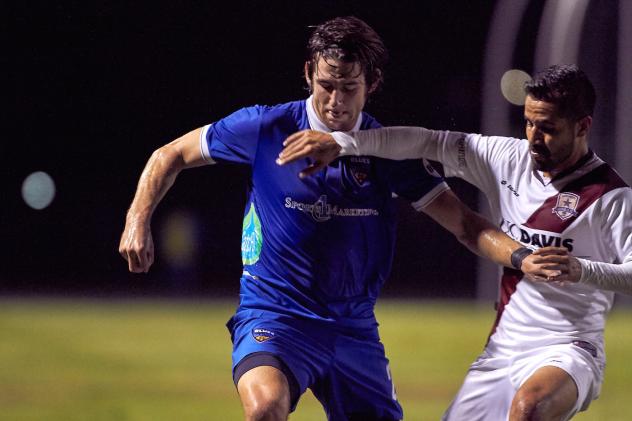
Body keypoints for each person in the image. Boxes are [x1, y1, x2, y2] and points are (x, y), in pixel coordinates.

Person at [119, 16, 558, 421]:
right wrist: (137, 220)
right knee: (264, 407)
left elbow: (465, 224)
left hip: (352, 325)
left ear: (373, 83)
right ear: (309, 71)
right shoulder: (266, 128)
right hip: (276, 315)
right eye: (326, 84)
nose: (335, 101)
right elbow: (170, 154)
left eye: (349, 87)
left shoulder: (387, 152)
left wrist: (522, 257)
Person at [277, 64, 632, 420]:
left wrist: (580, 269)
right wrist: (343, 143)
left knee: (529, 409)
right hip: (504, 348)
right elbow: (426, 141)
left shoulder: (611, 197)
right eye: (529, 123)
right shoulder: (507, 159)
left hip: (570, 348)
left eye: (548, 128)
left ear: (583, 126)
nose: (534, 138)